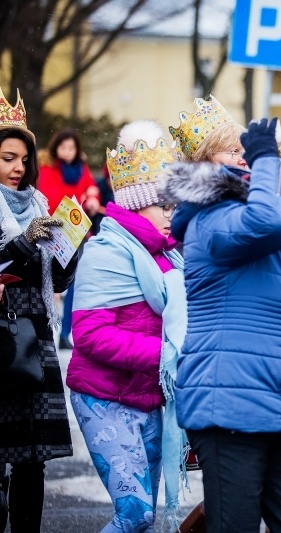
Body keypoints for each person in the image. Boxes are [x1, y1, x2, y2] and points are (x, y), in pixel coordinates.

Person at [164, 115, 281, 533]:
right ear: (274, 188)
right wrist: (269, 160)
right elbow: (267, 221)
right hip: (230, 408)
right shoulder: (214, 218)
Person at [66, 120, 187, 533]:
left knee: (144, 520)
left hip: (150, 398)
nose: (174, 215)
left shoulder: (169, 256)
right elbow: (89, 335)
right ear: (137, 203)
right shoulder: (106, 251)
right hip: (104, 397)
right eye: (165, 206)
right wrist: (165, 357)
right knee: (136, 514)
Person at [0, 87, 76, 531]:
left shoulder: (41, 205)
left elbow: (55, 282)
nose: (18, 168)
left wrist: (69, 252)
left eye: (23, 159)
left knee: (34, 457)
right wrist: (26, 243)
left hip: (37, 332)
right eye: (8, 157)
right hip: (2, 336)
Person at [37, 128, 101, 350]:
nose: (67, 151)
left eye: (71, 147)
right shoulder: (47, 169)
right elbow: (49, 197)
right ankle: (42, 331)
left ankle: (66, 332)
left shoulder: (80, 169)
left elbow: (91, 187)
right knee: (46, 281)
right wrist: (72, 204)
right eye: (63, 147)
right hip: (53, 231)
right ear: (56, 147)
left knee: (75, 282)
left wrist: (91, 197)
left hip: (78, 232)